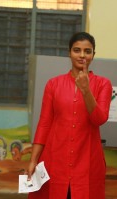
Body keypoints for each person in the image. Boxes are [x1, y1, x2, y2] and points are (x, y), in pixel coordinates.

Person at [26, 32, 112, 199]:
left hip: (87, 159)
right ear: (69, 52)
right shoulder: (53, 84)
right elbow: (44, 124)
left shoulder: (103, 84)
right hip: (54, 157)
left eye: (87, 51)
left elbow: (99, 119)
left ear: (93, 55)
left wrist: (86, 90)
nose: (82, 55)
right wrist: (33, 160)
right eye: (77, 50)